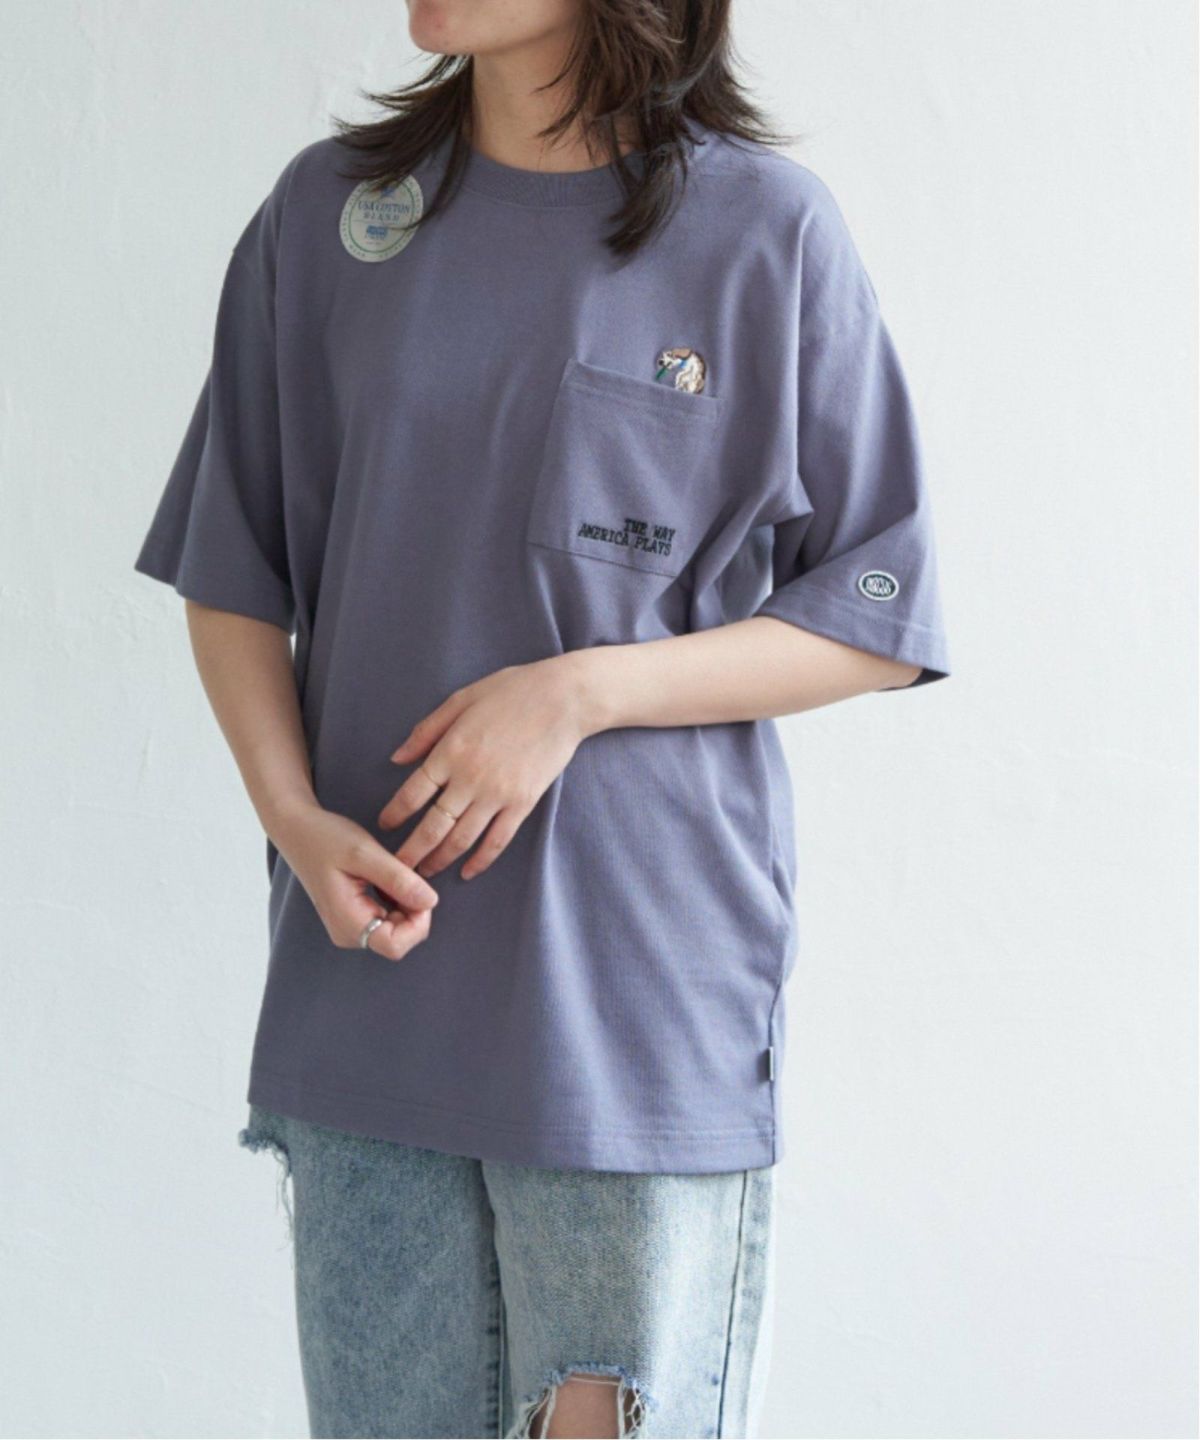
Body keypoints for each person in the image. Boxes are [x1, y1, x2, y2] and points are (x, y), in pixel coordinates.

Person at [132, 1, 952, 1434]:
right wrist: (294, 819)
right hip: (370, 986)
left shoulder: (763, 232)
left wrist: (578, 693)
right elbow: (232, 564)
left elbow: (878, 607)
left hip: (625, 1008)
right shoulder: (331, 218)